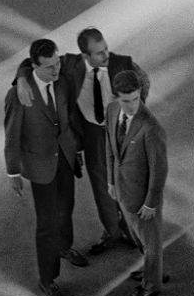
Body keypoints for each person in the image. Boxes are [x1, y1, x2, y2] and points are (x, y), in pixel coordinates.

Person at [14, 29, 149, 255]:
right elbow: (30, 62)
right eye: (99, 53)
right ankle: (113, 232)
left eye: (105, 48)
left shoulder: (122, 64)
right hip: (93, 133)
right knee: (102, 188)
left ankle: (138, 235)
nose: (106, 55)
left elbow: (143, 82)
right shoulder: (69, 64)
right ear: (85, 56)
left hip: (120, 130)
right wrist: (21, 80)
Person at [4, 38, 86, 296]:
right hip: (40, 166)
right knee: (47, 223)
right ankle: (47, 280)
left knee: (67, 207)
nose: (56, 70)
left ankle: (65, 247)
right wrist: (13, 171)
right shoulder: (19, 95)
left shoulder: (63, 81)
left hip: (65, 156)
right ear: (34, 67)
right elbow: (11, 134)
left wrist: (78, 149)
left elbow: (70, 116)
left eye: (57, 62)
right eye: (49, 67)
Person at [106, 69, 168, 296]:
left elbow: (159, 170)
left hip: (143, 198)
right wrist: (111, 181)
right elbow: (110, 148)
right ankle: (154, 270)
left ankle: (151, 285)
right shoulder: (112, 111)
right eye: (126, 100)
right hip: (123, 191)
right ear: (116, 97)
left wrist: (151, 203)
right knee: (141, 239)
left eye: (135, 99)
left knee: (150, 241)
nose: (132, 106)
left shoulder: (151, 128)